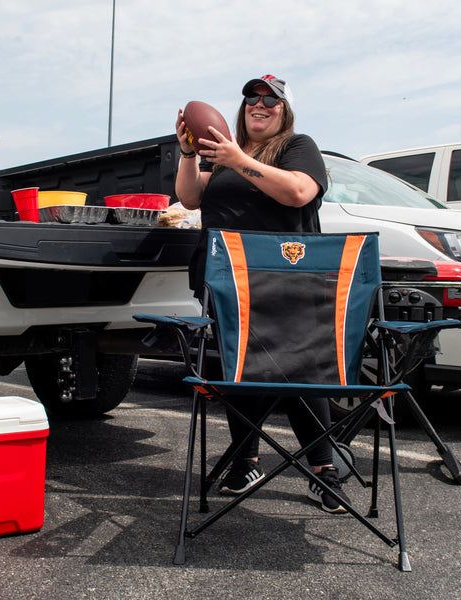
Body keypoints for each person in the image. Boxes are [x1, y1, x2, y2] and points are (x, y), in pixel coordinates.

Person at [175, 74, 349, 514]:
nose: (260, 103)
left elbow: (298, 192)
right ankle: (245, 459)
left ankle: (323, 469)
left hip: (287, 274)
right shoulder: (228, 153)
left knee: (299, 371)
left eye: (271, 99)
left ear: (284, 110)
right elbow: (190, 198)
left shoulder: (297, 146)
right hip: (228, 275)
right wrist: (189, 153)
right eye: (252, 97)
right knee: (241, 369)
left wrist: (236, 159)